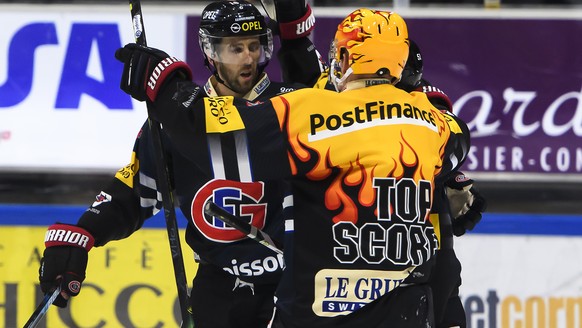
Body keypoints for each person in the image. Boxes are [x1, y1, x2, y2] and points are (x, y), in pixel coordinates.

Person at [113, 8, 472, 327]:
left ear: (346, 57)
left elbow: (220, 143)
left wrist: (165, 83)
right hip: (405, 306)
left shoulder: (314, 111)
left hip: (321, 310)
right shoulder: (434, 121)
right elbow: (455, 147)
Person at [37, 1, 322, 327]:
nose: (248, 57)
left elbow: (241, 132)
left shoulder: (293, 103)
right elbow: (136, 190)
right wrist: (84, 233)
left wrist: (299, 40)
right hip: (219, 288)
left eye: (254, 46)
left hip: (293, 282)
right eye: (235, 48)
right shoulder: (173, 123)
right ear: (211, 51)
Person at [397, 39, 487, 328]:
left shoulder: (423, 100)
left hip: (427, 254)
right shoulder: (340, 101)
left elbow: (454, 137)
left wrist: (449, 177)